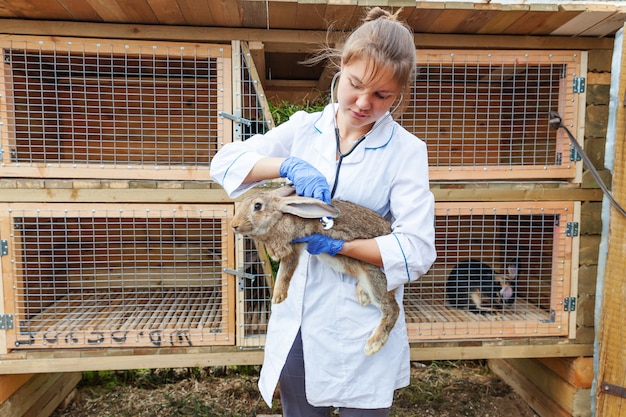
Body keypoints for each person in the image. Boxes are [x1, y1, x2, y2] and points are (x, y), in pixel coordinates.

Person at [210, 7, 436, 416]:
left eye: (382, 95)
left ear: (399, 93)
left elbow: (416, 247)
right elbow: (225, 163)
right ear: (341, 68)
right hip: (298, 314)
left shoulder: (407, 152)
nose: (364, 103)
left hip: (359, 313)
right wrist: (286, 165)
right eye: (355, 85)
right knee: (300, 407)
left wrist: (339, 247)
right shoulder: (302, 129)